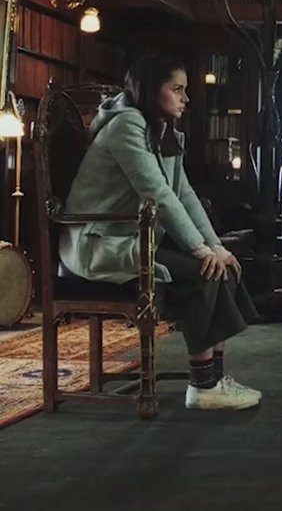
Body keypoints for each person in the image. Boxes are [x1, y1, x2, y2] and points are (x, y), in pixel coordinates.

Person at [60, 54, 262, 411]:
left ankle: (214, 380)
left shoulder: (160, 127)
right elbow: (158, 193)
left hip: (134, 237)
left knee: (223, 267)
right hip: (98, 243)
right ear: (152, 91)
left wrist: (215, 246)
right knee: (204, 271)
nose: (186, 98)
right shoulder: (126, 125)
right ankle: (203, 386)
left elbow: (183, 193)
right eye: (177, 89)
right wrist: (200, 251)